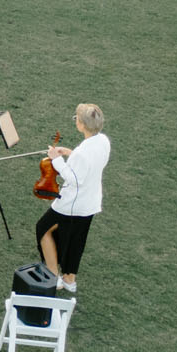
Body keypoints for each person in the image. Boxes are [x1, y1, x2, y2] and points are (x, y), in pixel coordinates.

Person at [37, 103, 111, 293]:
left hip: (71, 205)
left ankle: (54, 275)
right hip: (90, 203)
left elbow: (73, 178)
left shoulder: (82, 152)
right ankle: (70, 279)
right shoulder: (103, 141)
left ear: (82, 125)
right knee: (77, 240)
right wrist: (70, 153)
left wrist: (56, 159)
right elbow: (88, 163)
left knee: (43, 229)